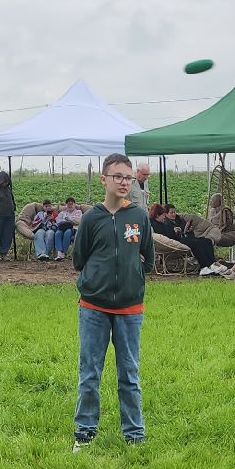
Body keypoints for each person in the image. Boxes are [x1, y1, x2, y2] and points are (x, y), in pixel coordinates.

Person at [70, 152, 152, 451]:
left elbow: (147, 258)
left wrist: (131, 277)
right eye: (118, 176)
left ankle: (134, 435)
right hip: (94, 307)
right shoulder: (91, 218)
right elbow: (79, 259)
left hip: (130, 308)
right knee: (90, 374)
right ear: (104, 179)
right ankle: (84, 433)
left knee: (129, 374)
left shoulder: (139, 217)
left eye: (128, 178)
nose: (124, 182)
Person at [154, 203, 220, 274]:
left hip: (187, 237)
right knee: (197, 244)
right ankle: (204, 266)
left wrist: (188, 231)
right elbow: (169, 235)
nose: (174, 214)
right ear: (166, 214)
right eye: (171, 212)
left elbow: (188, 233)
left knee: (207, 241)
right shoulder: (165, 223)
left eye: (175, 212)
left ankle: (213, 264)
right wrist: (176, 231)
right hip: (179, 240)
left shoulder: (179, 220)